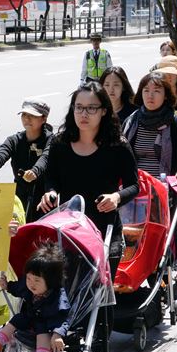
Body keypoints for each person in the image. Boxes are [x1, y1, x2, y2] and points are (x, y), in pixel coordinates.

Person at [38, 82, 139, 277]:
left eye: (91, 108)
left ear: (103, 111)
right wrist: (50, 192)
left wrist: (116, 197)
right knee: (68, 295)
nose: (84, 114)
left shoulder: (117, 145)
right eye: (79, 107)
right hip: (69, 230)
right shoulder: (60, 143)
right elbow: (51, 178)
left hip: (106, 230)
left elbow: (133, 186)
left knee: (100, 298)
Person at [0, 242, 71, 352]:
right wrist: (7, 286)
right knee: (18, 318)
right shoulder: (28, 286)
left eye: (37, 280)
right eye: (28, 278)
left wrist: (57, 334)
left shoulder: (57, 297)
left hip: (47, 325)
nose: (31, 284)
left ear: (51, 282)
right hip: (30, 317)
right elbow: (18, 288)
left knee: (41, 328)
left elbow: (62, 317)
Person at [0, 98, 53, 222]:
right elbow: (0, 156)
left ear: (44, 118)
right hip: (18, 198)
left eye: (32, 115)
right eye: (24, 115)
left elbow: (46, 157)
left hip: (44, 201)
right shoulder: (14, 140)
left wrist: (35, 171)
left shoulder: (52, 140)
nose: (26, 119)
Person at [122, 72, 177, 181]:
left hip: (165, 185)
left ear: (166, 96)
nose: (150, 95)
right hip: (136, 185)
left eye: (157, 91)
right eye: (146, 90)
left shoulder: (176, 122)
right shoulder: (131, 121)